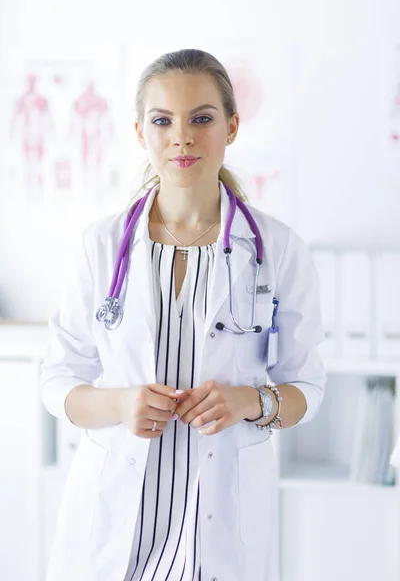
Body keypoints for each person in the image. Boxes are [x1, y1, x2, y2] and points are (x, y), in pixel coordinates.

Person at [40, 48, 327, 581]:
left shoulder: (280, 250)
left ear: (232, 126)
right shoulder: (101, 246)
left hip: (219, 526)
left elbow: (306, 390)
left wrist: (249, 400)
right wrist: (121, 402)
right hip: (116, 525)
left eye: (202, 118)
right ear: (139, 132)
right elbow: (58, 382)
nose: (182, 136)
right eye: (162, 120)